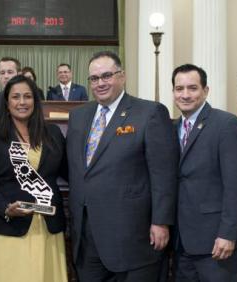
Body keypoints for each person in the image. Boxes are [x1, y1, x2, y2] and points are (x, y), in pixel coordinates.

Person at [66, 51, 179, 281]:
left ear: (122, 76)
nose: (100, 83)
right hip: (87, 238)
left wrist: (161, 221)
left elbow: (163, 174)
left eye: (106, 76)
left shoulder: (149, 113)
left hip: (132, 238)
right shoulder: (78, 116)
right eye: (94, 78)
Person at [0, 75, 68, 282]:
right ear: (7, 102)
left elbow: (70, 171)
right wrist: (5, 208)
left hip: (48, 227)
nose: (22, 102)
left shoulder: (52, 133)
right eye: (16, 97)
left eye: (27, 96)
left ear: (35, 101)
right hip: (8, 227)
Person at [171, 64, 237, 281]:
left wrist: (227, 233)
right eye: (179, 89)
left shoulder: (225, 124)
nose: (185, 95)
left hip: (216, 241)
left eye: (192, 88)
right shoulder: (172, 127)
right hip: (181, 242)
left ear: (206, 91)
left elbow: (236, 185)